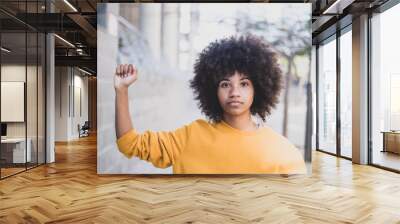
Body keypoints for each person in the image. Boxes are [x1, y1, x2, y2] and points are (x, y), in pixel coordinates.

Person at [114, 35, 306, 174]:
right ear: (212, 90)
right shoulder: (189, 137)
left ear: (260, 89)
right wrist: (121, 90)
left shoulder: (284, 153)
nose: (235, 92)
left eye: (244, 84)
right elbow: (129, 144)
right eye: (225, 84)